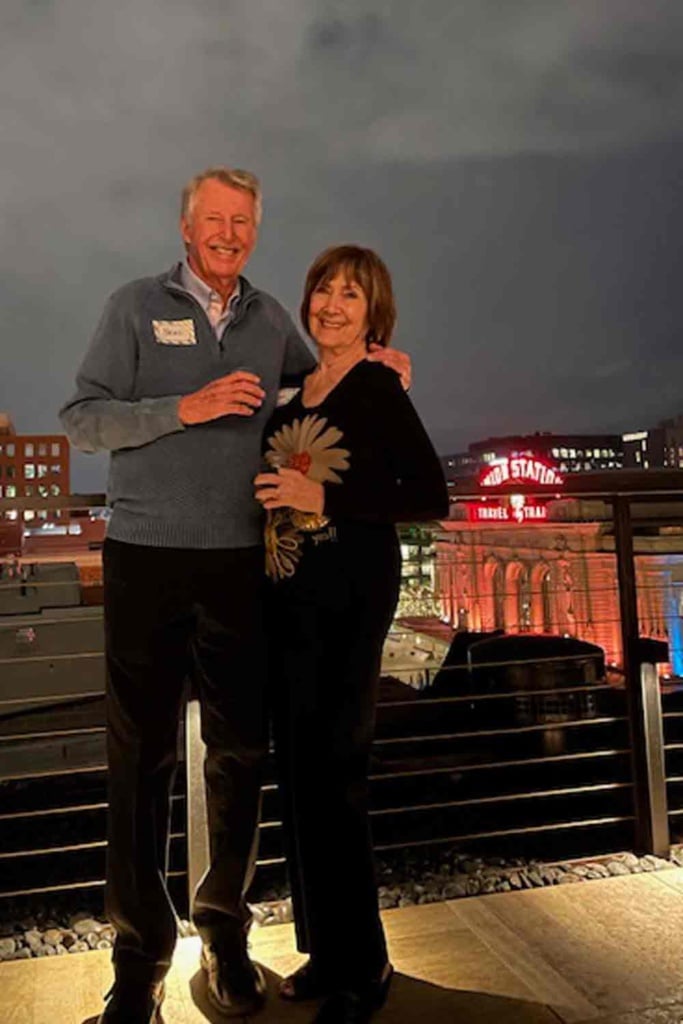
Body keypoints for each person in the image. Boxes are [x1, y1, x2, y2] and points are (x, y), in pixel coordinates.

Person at [59, 169, 410, 1024]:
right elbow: (81, 417)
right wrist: (186, 406)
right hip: (144, 559)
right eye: (213, 218)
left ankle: (224, 937)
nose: (228, 233)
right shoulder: (134, 307)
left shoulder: (267, 319)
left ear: (255, 231)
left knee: (239, 759)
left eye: (242, 221)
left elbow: (310, 387)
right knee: (138, 763)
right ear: (185, 226)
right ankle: (138, 962)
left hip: (240, 571)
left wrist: (372, 366)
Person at [255, 245, 449, 1024]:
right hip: (286, 604)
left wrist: (321, 494)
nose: (331, 306)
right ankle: (324, 950)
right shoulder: (292, 395)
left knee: (338, 776)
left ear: (374, 314)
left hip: (348, 601)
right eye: (323, 292)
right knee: (301, 779)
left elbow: (427, 493)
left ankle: (364, 964)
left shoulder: (375, 385)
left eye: (350, 296)